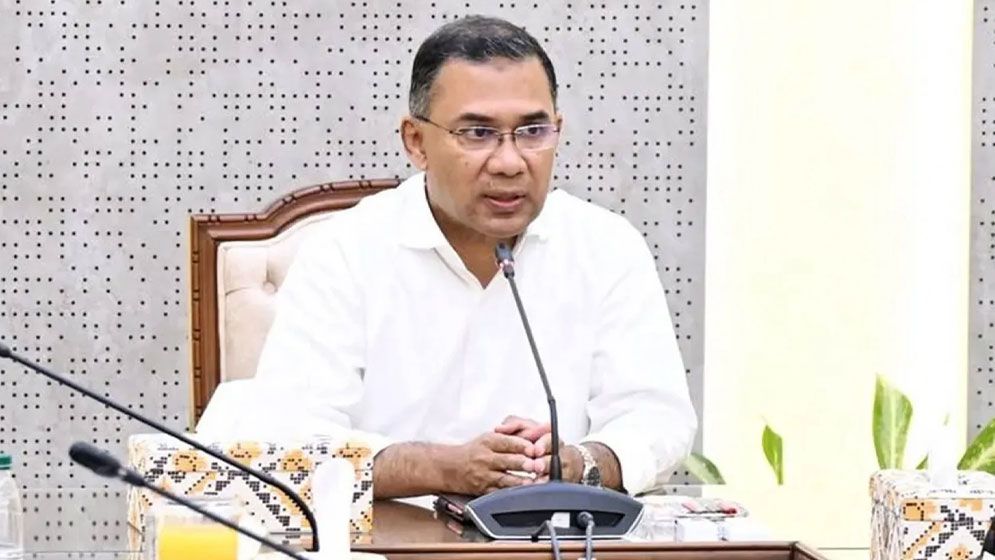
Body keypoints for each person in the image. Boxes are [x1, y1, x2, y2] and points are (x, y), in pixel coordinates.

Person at [249, 15, 697, 498]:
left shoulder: (606, 246)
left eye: (533, 131)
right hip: (392, 533)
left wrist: (579, 463)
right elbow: (289, 440)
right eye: (478, 133)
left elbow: (657, 419)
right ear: (416, 141)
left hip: (553, 531)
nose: (509, 162)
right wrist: (441, 468)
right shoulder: (345, 249)